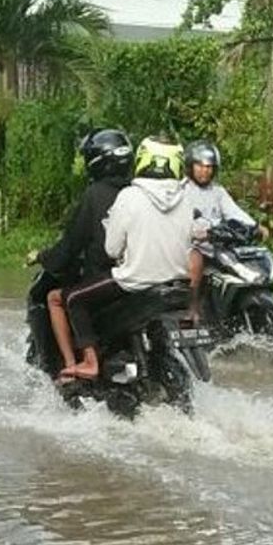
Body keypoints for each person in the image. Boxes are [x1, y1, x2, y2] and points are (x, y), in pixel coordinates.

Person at [49, 136, 193, 381]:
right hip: (178, 283)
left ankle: (89, 363)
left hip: (135, 281)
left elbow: (112, 250)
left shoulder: (129, 196)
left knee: (72, 298)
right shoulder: (187, 198)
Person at [35, 129, 134, 372]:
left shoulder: (94, 195)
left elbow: (71, 244)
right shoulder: (136, 192)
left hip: (110, 279)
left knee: (56, 298)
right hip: (143, 278)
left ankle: (72, 367)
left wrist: (44, 257)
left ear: (95, 161)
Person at [182, 140, 268, 320]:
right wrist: (196, 232)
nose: (205, 171)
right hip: (191, 245)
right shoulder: (181, 191)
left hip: (216, 244)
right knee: (195, 263)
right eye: (200, 166)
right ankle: (192, 308)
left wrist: (255, 226)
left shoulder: (217, 191)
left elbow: (234, 212)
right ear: (190, 166)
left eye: (209, 167)